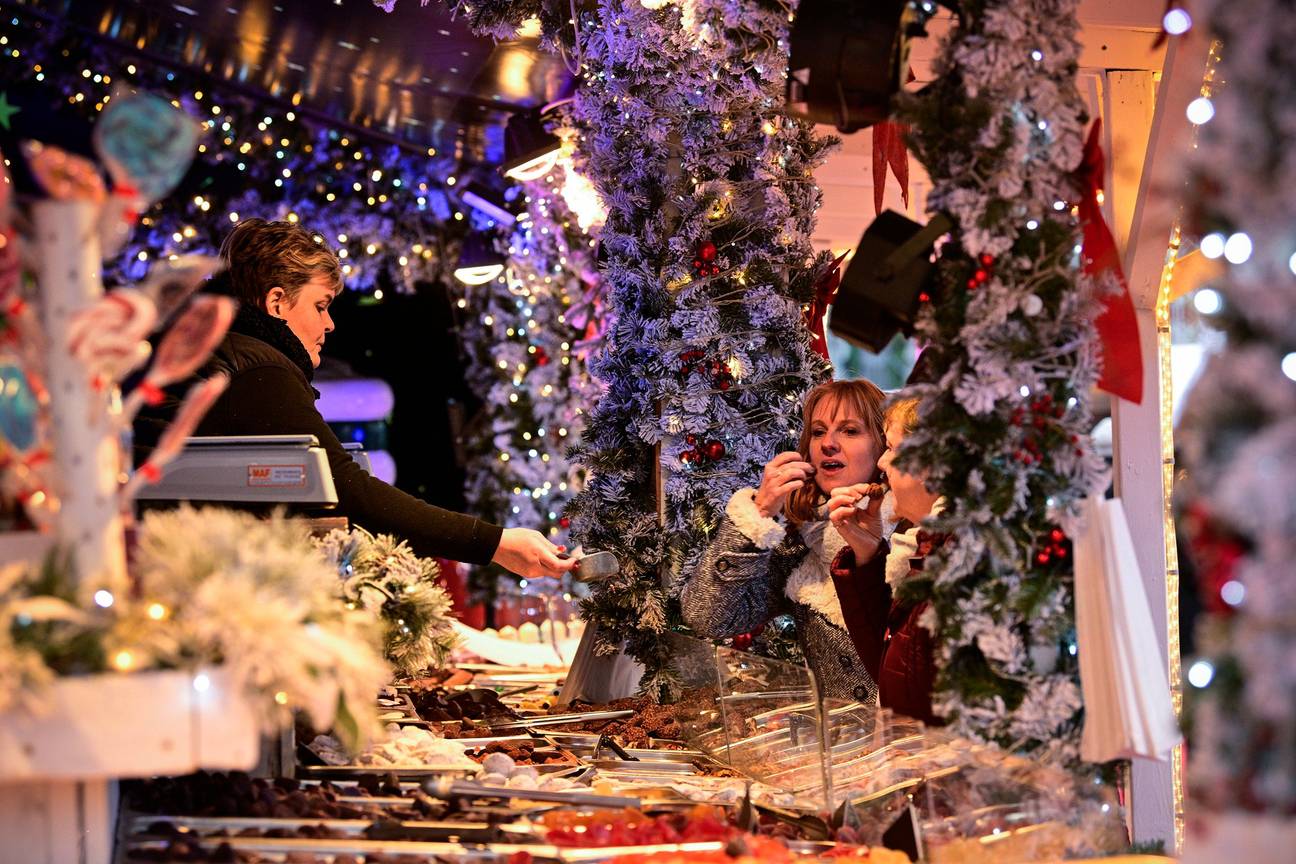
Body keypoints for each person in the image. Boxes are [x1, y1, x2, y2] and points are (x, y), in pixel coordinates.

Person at [134, 219, 574, 580]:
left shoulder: (228, 353)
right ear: (276, 303)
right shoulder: (259, 368)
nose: (330, 325)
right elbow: (348, 490)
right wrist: (494, 542)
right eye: (321, 305)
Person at [680, 379, 889, 702]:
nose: (828, 444)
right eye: (818, 432)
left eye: (849, 431)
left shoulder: (917, 529)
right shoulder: (803, 544)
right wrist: (759, 515)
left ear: (883, 445)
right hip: (841, 746)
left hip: (918, 746)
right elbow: (708, 616)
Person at [827, 396, 943, 724]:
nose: (882, 463)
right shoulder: (924, 548)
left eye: (892, 448)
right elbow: (894, 667)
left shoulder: (963, 561)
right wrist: (866, 555)